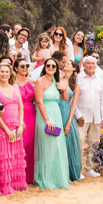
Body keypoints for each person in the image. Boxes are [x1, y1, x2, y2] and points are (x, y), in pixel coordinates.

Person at [0, 63, 27, 196]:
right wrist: (6, 130)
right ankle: (2, 184)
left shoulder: (15, 87)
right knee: (3, 157)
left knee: (14, 156)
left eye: (6, 72)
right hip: (2, 127)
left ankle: (14, 183)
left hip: (16, 125)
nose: (4, 74)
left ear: (10, 73)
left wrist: (20, 125)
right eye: (2, 72)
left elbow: (20, 107)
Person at [34, 58, 70, 189]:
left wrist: (63, 89)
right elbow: (39, 102)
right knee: (47, 146)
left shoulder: (56, 81)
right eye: (48, 65)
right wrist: (47, 119)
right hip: (45, 115)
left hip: (57, 114)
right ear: (44, 67)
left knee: (57, 147)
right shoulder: (40, 81)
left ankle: (57, 177)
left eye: (53, 66)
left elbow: (65, 99)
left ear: (56, 69)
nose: (50, 67)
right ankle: (46, 178)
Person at [75, 55, 103, 176]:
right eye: (88, 63)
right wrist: (78, 115)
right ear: (83, 65)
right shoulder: (78, 78)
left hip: (96, 117)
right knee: (79, 142)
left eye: (92, 64)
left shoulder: (99, 78)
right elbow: (74, 99)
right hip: (82, 118)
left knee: (94, 143)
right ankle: (77, 170)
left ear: (96, 65)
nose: (90, 65)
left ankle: (89, 169)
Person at [14, 57, 37, 184]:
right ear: (16, 68)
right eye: (22, 66)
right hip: (18, 114)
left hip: (31, 114)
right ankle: (17, 176)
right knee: (20, 144)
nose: (25, 68)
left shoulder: (32, 81)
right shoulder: (13, 84)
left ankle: (29, 176)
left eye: (27, 66)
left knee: (30, 145)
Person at [58, 59, 82, 181]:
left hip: (67, 113)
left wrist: (69, 123)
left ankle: (69, 172)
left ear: (73, 69)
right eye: (64, 63)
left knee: (68, 141)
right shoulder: (57, 81)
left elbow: (73, 105)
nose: (65, 64)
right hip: (57, 111)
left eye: (68, 64)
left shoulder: (76, 86)